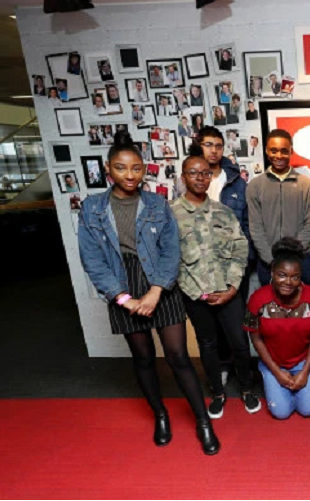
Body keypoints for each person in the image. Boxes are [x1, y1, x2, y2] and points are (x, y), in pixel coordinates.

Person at [77, 131, 219, 455]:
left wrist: (156, 291)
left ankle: (203, 421)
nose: (130, 175)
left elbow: (171, 251)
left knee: (178, 356)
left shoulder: (157, 204)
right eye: (122, 167)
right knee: (142, 357)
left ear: (144, 169)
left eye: (137, 168)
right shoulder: (92, 208)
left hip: (160, 280)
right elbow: (92, 259)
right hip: (120, 283)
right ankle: (161, 415)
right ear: (108, 168)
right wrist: (123, 298)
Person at [171, 148, 260, 419]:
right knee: (207, 344)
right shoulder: (170, 214)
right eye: (193, 173)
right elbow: (170, 258)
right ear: (183, 177)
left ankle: (246, 388)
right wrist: (199, 293)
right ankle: (217, 393)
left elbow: (240, 247)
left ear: (210, 177)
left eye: (205, 174)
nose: (200, 178)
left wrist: (232, 287)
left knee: (239, 342)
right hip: (195, 294)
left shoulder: (223, 212)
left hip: (228, 291)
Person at [247, 128, 310, 287]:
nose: (278, 156)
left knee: (303, 310)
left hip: (300, 261)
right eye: (274, 151)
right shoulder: (255, 186)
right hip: (267, 264)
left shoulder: (306, 185)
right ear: (266, 150)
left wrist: (291, 258)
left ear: (291, 151)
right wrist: (271, 260)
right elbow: (255, 228)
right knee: (271, 310)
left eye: (284, 151)